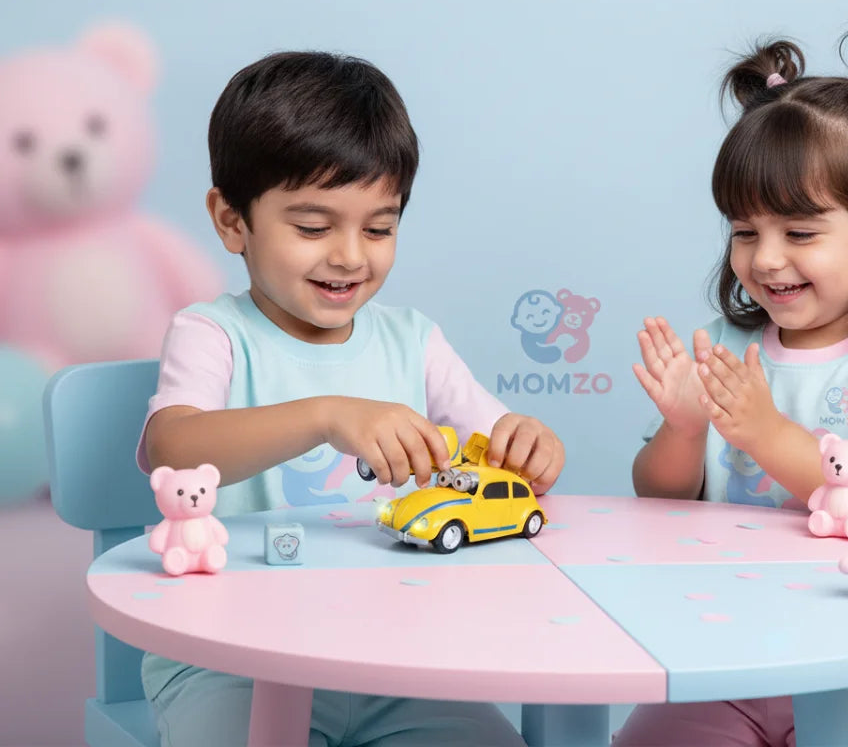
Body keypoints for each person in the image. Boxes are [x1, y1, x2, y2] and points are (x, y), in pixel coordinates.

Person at [136, 51, 564, 747]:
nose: (349, 256)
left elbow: (505, 449)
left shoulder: (413, 341)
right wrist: (326, 414)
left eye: (379, 227)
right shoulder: (212, 334)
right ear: (232, 221)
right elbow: (171, 446)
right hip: (228, 659)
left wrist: (530, 444)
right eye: (312, 227)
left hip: (396, 658)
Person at [617, 29, 848, 747]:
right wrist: (684, 432)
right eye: (745, 231)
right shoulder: (727, 344)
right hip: (729, 644)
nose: (765, 257)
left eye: (800, 232)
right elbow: (659, 502)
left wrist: (765, 434)